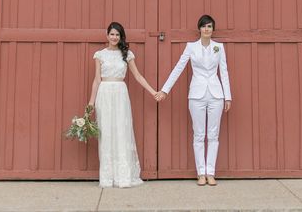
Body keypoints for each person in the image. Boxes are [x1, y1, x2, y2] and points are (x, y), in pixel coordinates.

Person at [156, 14, 232, 186]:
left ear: (213, 29)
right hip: (196, 95)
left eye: (210, 26)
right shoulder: (191, 47)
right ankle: (201, 173)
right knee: (199, 135)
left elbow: (224, 72)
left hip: (216, 95)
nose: (207, 29)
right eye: (204, 26)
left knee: (213, 135)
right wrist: (165, 90)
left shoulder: (219, 47)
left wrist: (228, 96)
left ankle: (210, 172)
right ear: (199, 29)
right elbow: (178, 68)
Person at [88, 21, 157, 187]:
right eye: (112, 34)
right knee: (106, 133)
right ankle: (108, 177)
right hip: (104, 93)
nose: (114, 37)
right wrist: (91, 101)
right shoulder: (99, 55)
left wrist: (153, 91)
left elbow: (138, 76)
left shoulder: (127, 54)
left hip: (120, 93)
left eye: (117, 35)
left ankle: (123, 176)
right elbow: (97, 79)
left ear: (121, 37)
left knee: (121, 131)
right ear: (107, 35)